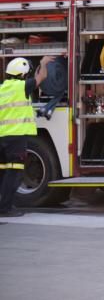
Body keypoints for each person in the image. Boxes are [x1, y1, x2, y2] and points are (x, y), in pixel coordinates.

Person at [1, 56, 50, 217]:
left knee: (4, 174)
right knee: (14, 174)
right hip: (16, 137)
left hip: (3, 138)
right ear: (22, 75)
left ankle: (3, 205)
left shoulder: (2, 88)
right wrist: (43, 64)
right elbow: (41, 77)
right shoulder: (22, 87)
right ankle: (5, 208)